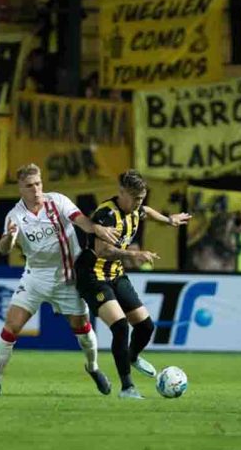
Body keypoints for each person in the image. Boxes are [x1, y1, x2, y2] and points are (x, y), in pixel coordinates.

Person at [0, 163, 119, 396]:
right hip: (36, 277)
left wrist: (97, 229)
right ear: (20, 188)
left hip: (68, 278)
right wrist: (9, 237)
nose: (36, 189)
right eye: (29, 186)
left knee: (81, 328)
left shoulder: (58, 201)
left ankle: (93, 367)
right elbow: (4, 249)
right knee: (11, 326)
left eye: (38, 183)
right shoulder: (15, 216)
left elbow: (80, 220)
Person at [75, 170, 191, 399]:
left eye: (142, 197)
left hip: (116, 275)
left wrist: (169, 220)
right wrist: (132, 255)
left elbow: (146, 211)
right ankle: (127, 387)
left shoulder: (137, 208)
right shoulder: (106, 214)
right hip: (93, 277)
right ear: (122, 193)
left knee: (146, 326)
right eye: (136, 198)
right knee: (120, 326)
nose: (140, 203)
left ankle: (132, 356)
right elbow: (102, 251)